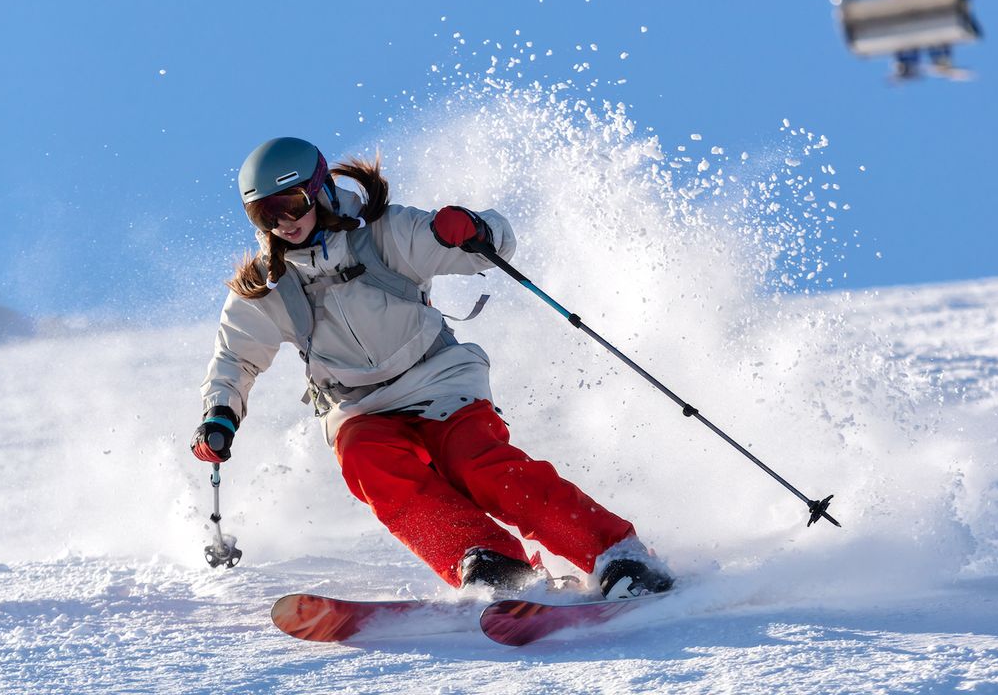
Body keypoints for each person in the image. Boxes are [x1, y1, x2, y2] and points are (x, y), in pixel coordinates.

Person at [191, 136, 674, 599]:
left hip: (438, 379)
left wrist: (470, 230)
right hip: (357, 406)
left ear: (320, 191)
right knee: (369, 463)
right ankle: (489, 562)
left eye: (292, 204)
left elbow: (494, 245)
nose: (283, 222)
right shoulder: (266, 285)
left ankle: (616, 554)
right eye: (264, 213)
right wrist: (220, 413)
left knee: (478, 465)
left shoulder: (384, 234)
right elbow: (235, 357)